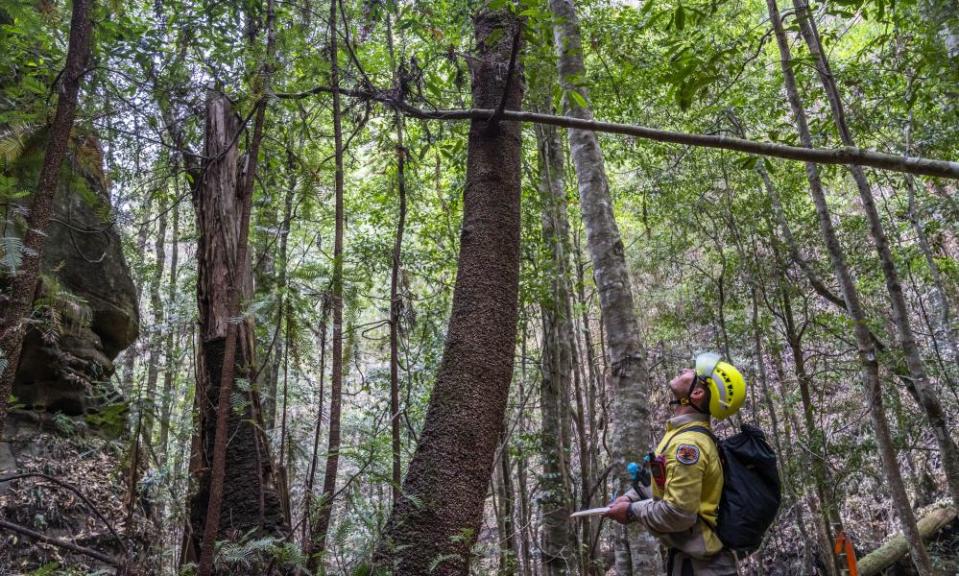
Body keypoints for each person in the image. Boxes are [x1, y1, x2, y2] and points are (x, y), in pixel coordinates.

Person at [604, 353, 746, 576]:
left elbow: (679, 513)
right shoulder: (682, 434)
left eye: (693, 373)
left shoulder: (688, 446)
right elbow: (666, 484)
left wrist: (632, 511)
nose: (685, 371)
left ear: (697, 393)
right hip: (690, 564)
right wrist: (631, 497)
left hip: (704, 569)